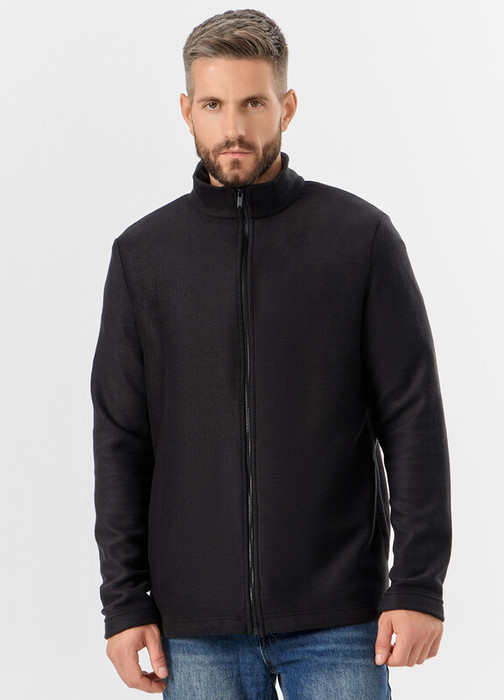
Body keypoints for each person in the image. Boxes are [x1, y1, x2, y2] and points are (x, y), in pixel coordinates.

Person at [90, 8, 452, 699]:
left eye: (253, 103)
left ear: (286, 107)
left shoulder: (359, 239)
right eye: (213, 105)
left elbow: (411, 417)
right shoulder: (143, 257)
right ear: (186, 111)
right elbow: (121, 440)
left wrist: (417, 584)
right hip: (193, 629)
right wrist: (125, 603)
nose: (233, 128)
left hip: (341, 620)